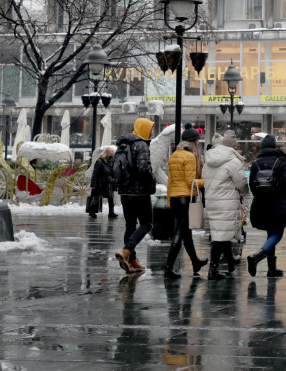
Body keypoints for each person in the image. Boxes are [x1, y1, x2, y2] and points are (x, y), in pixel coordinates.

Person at [201, 130, 249, 281]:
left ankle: (230, 265)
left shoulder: (209, 160)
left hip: (212, 200)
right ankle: (212, 269)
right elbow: (241, 183)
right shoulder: (233, 162)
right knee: (220, 236)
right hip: (226, 202)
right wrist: (245, 191)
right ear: (233, 147)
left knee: (222, 233)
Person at [163, 129, 208, 279]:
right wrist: (207, 181)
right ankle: (168, 268)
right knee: (179, 233)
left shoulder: (174, 156)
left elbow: (170, 181)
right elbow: (191, 182)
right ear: (194, 142)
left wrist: (170, 199)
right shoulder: (190, 157)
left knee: (186, 233)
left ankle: (195, 262)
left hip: (176, 198)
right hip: (185, 198)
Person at [114, 118, 157, 274]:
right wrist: (153, 180)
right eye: (150, 129)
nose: (152, 132)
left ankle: (132, 261)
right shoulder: (141, 145)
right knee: (147, 224)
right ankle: (127, 251)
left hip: (124, 192)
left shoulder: (122, 145)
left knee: (130, 226)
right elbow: (144, 169)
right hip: (140, 192)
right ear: (144, 129)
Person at [247, 134, 286, 278]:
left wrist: (259, 195)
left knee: (270, 233)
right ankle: (256, 257)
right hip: (277, 202)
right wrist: (283, 194)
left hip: (260, 203)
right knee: (277, 233)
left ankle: (271, 269)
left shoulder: (256, 163)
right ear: (274, 146)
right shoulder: (282, 161)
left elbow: (251, 184)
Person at [89, 146, 117, 219]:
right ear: (106, 153)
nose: (112, 156)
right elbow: (95, 173)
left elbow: (112, 172)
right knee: (96, 197)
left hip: (109, 183)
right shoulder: (99, 161)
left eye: (112, 154)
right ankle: (92, 212)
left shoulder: (111, 161)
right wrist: (93, 184)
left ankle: (111, 212)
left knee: (111, 198)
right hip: (100, 183)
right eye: (111, 154)